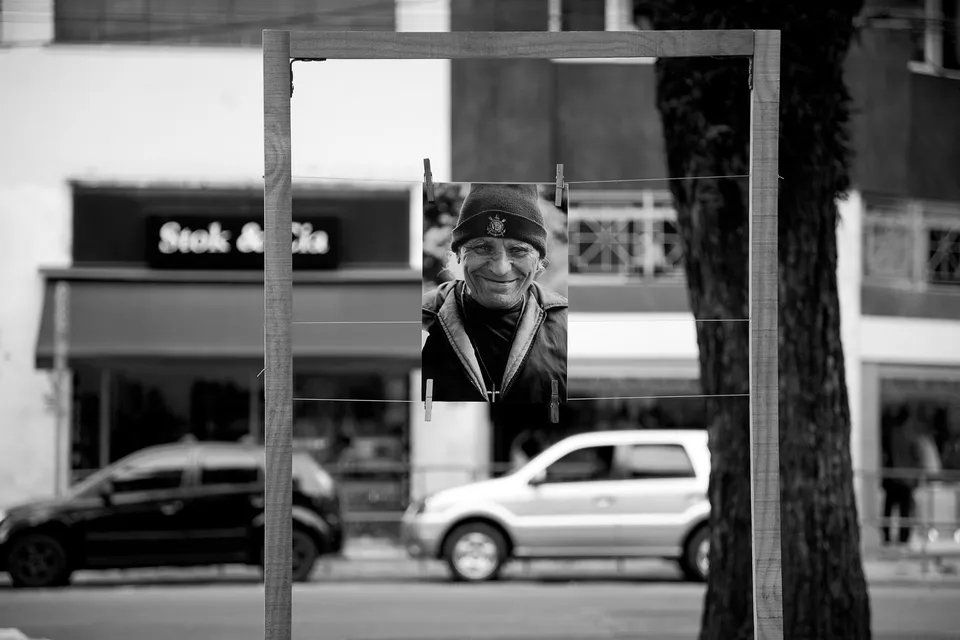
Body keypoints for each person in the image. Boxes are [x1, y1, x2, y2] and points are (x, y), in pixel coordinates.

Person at [422, 183, 567, 404]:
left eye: (518, 250)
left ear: (538, 261)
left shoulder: (567, 327)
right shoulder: (420, 321)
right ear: (459, 253)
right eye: (482, 247)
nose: (500, 268)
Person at [882, 411, 923, 545]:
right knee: (902, 512)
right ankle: (900, 538)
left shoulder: (896, 435)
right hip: (901, 480)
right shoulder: (908, 436)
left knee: (893, 510)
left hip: (896, 479)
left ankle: (890, 537)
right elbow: (916, 457)